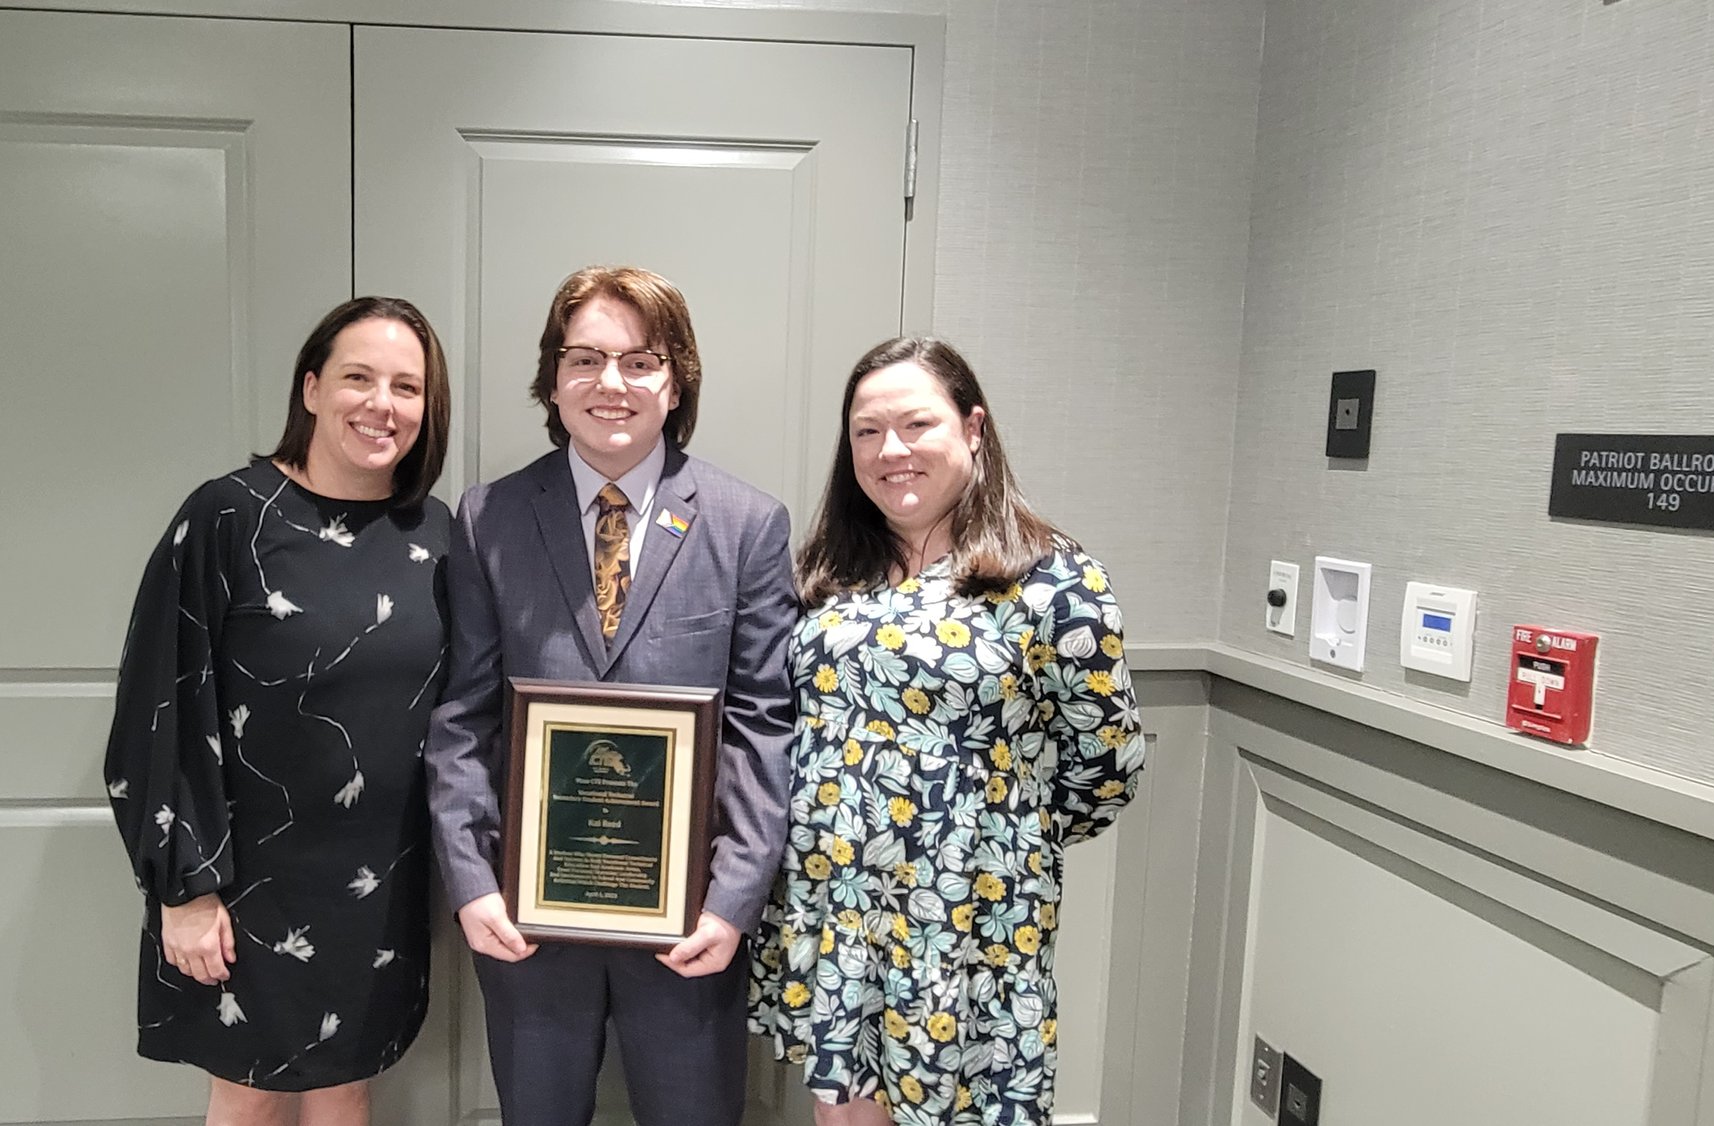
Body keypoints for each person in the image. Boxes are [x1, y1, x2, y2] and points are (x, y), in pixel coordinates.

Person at [425, 265, 797, 1126]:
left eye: (640, 361)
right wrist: (472, 881)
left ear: (677, 381)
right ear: (553, 381)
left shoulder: (748, 525)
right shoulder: (488, 517)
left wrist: (733, 900)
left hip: (688, 921)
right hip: (528, 919)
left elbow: (761, 726)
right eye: (584, 359)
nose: (611, 384)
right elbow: (464, 717)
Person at [747, 337, 1146, 1126]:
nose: (890, 450)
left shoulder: (1055, 581)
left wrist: (983, 840)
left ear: (973, 429)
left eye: (915, 425)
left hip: (969, 933)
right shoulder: (826, 573)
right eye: (866, 431)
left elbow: (1108, 767)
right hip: (839, 923)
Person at [103, 296, 453, 1126]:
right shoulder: (228, 516)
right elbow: (159, 704)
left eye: (407, 387)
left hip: (381, 880)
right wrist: (183, 889)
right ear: (310, 388)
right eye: (358, 378)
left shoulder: (436, 532)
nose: (382, 404)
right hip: (244, 881)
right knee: (250, 1091)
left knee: (348, 1084)